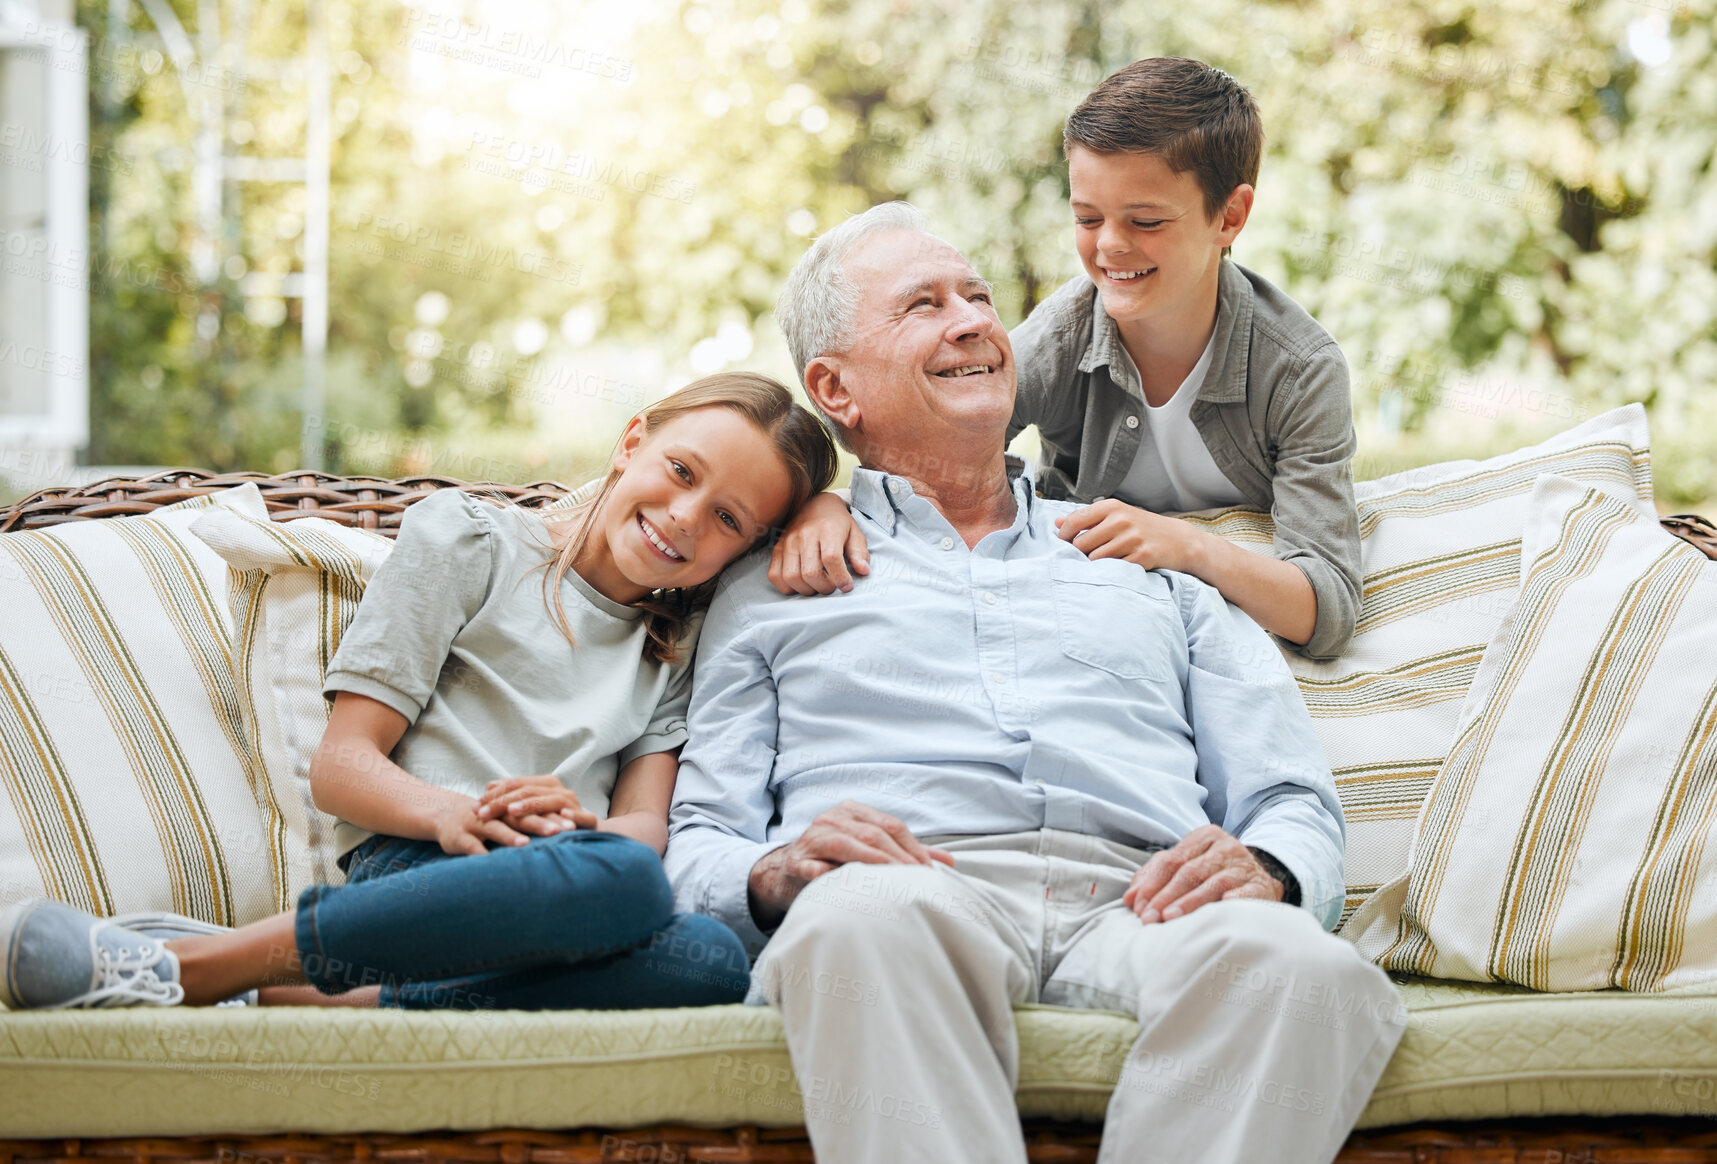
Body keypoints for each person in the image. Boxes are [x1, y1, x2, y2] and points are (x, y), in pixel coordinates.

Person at [666, 204, 1403, 1164]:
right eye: (922, 306)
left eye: (976, 296)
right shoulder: (770, 585)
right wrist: (775, 872)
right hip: (910, 893)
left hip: (1150, 902)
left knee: (1304, 970)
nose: (972, 320)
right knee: (854, 921)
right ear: (833, 389)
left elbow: (1289, 796)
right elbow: (697, 846)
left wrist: (1270, 867)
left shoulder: (1148, 558)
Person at [0, 373, 838, 1013]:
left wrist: (584, 832)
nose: (687, 517)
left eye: (730, 520)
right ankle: (200, 969)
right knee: (632, 887)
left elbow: (643, 824)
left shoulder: (673, 648)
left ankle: (302, 997)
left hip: (568, 885)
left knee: (709, 956)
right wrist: (453, 814)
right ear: (630, 443)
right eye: (680, 470)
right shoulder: (470, 542)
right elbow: (342, 765)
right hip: (420, 867)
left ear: (746, 549)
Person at [770, 58, 1362, 661]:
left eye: (1146, 220)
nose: (1109, 245)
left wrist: (1188, 546)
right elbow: (922, 444)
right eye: (1086, 218)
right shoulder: (1063, 337)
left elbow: (1331, 608)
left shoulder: (1299, 370)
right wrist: (829, 504)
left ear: (1230, 215)